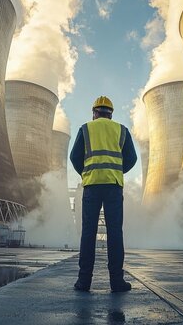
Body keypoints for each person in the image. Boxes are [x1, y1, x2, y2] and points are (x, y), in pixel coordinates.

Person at [69, 95, 137, 292]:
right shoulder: (121, 130)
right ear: (111, 114)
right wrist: (116, 171)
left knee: (88, 233)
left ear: (94, 112)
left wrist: (87, 172)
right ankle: (117, 281)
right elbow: (131, 158)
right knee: (115, 233)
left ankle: (84, 282)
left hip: (91, 187)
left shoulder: (85, 129)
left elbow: (74, 157)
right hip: (113, 186)